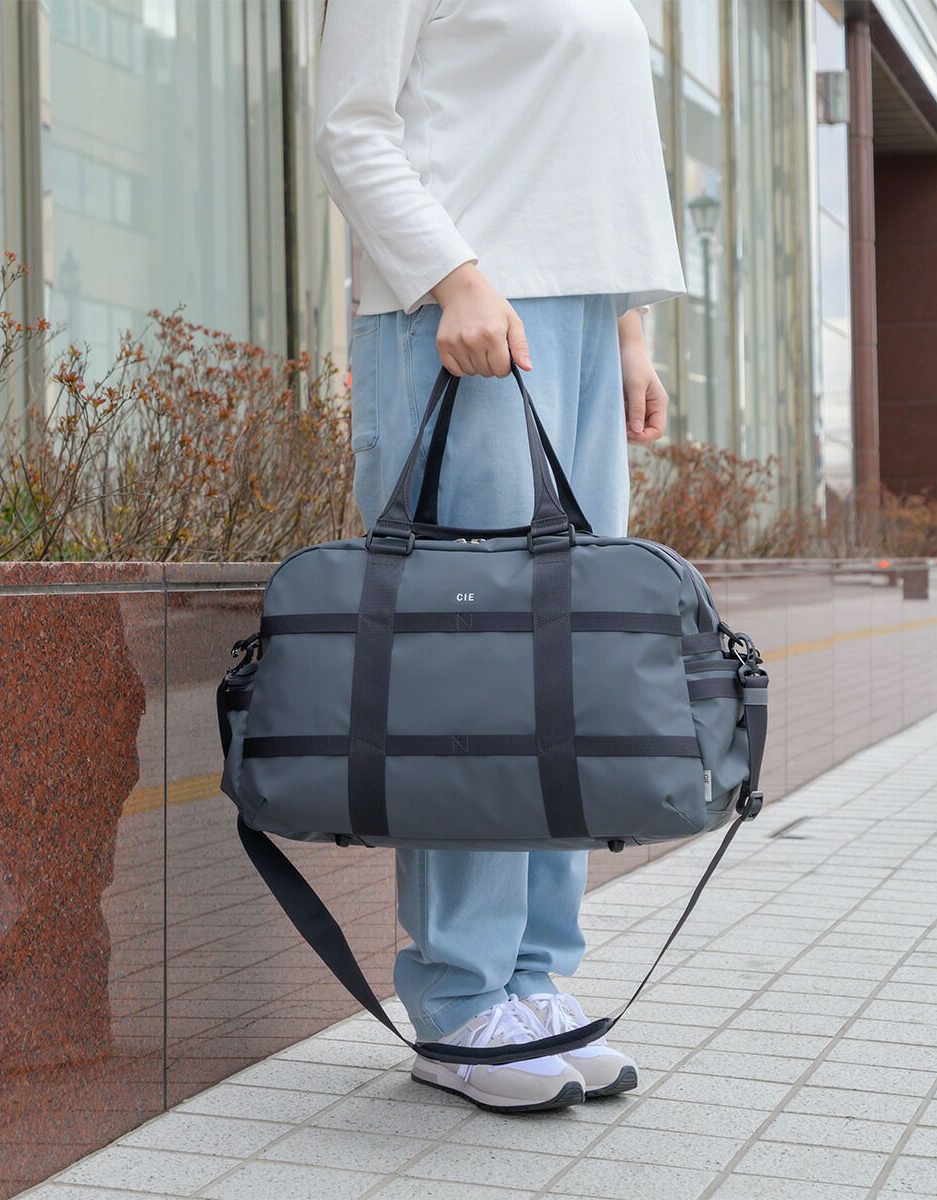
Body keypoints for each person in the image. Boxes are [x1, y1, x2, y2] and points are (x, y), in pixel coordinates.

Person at [313, 0, 685, 1113]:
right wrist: (453, 273)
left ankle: (532, 978)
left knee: (565, 658)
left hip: (579, 318)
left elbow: (599, 145)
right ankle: (460, 998)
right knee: (471, 660)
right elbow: (349, 121)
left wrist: (628, 329)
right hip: (460, 320)